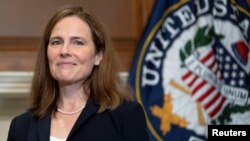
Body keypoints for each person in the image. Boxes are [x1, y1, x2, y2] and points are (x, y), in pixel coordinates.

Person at [7, 5, 149, 141]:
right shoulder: (21, 127)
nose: (64, 51)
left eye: (78, 42)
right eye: (56, 42)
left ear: (98, 55)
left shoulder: (125, 116)